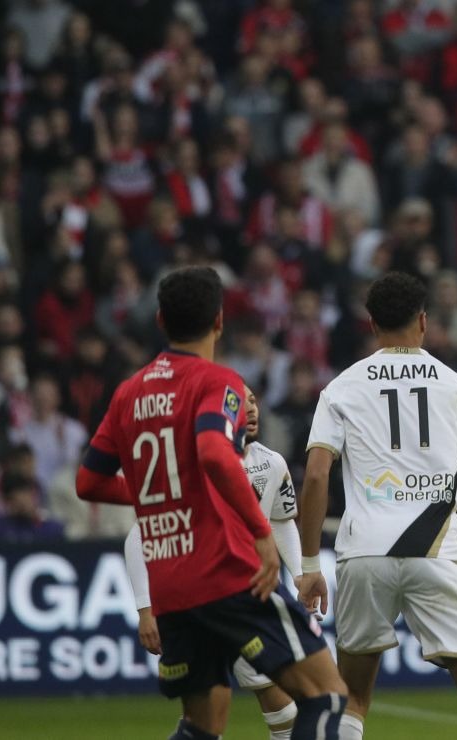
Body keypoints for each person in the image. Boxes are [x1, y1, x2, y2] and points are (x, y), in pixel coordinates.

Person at [75, 266, 347, 740]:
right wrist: (261, 535)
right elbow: (213, 452)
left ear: (160, 319)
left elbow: (89, 482)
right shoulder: (217, 383)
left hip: (172, 587)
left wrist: (156, 496)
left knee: (202, 726)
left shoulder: (128, 394)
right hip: (224, 572)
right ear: (219, 321)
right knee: (325, 695)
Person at [297, 272, 457, 740]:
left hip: (365, 554)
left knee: (353, 701)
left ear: (372, 323)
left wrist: (306, 564)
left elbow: (317, 475)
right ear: (423, 321)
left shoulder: (341, 387)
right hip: (437, 552)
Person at [124, 386, 304, 740]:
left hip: (247, 594)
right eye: (238, 403)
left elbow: (281, 520)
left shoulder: (271, 463)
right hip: (198, 600)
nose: (250, 409)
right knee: (206, 713)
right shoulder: (190, 467)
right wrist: (145, 610)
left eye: (253, 400)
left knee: (282, 706)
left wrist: (300, 574)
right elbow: (139, 536)